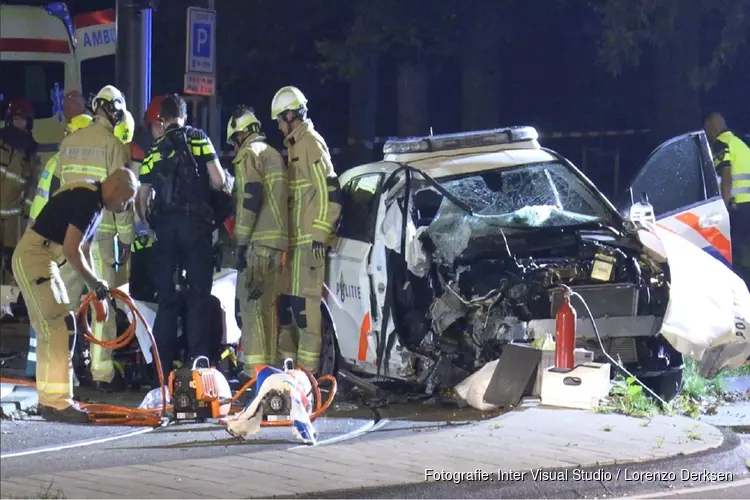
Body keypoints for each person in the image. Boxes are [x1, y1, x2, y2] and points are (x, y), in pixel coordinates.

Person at [12, 168, 138, 423]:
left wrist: (96, 291)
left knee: (57, 326)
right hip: (36, 257)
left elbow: (84, 248)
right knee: (58, 326)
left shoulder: (92, 199)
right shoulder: (89, 201)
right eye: (126, 199)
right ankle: (58, 403)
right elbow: (72, 250)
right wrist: (96, 283)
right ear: (115, 188)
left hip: (41, 259)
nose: (124, 206)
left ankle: (51, 400)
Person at [138, 94, 230, 384]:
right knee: (198, 297)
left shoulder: (154, 151)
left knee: (167, 301)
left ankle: (161, 373)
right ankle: (198, 366)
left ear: (162, 121)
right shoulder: (199, 138)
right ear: (184, 116)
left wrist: (152, 224)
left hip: (165, 233)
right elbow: (217, 180)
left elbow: (141, 199)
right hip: (196, 230)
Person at [57, 85, 135, 390]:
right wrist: (126, 240)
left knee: (63, 303)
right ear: (115, 111)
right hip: (98, 237)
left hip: (66, 235)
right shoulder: (115, 145)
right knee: (100, 303)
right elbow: (122, 198)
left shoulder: (69, 142)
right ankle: (102, 375)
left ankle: (63, 372)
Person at [271, 86, 342, 372]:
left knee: (306, 313)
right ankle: (287, 373)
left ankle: (308, 379)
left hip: (309, 244)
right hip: (295, 246)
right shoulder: (294, 147)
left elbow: (330, 193)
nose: (277, 125)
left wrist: (319, 234)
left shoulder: (311, 143)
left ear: (291, 116)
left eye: (279, 119)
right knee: (289, 310)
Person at [226, 105, 288, 374]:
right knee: (268, 309)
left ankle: (254, 374)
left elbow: (249, 198)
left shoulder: (248, 155)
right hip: (278, 244)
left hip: (257, 243)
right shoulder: (274, 154)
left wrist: (240, 241)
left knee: (251, 310)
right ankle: (271, 371)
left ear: (240, 135)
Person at [704, 112, 750, 287]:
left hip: (737, 208)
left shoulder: (721, 143)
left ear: (712, 128)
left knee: (733, 255)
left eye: (708, 130)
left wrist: (722, 207)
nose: (708, 135)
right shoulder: (741, 144)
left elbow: (727, 175)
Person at [1, 98, 41, 283]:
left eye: (21, 119)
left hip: (13, 222)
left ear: (28, 122)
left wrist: (27, 217)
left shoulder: (30, 153)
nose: (18, 123)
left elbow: (32, 188)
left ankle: (8, 305)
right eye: (15, 118)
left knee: (12, 265)